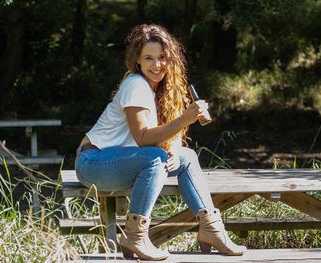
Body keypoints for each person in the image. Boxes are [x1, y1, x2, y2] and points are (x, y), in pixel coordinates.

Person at [75, 24, 246, 260]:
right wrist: (186, 118)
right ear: (137, 60)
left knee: (187, 156)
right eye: (149, 58)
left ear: (170, 58)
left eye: (162, 58)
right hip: (93, 163)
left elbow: (168, 135)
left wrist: (175, 148)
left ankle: (212, 229)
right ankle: (135, 237)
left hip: (123, 161)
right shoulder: (135, 84)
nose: (157, 65)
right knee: (155, 158)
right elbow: (143, 138)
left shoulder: (162, 88)